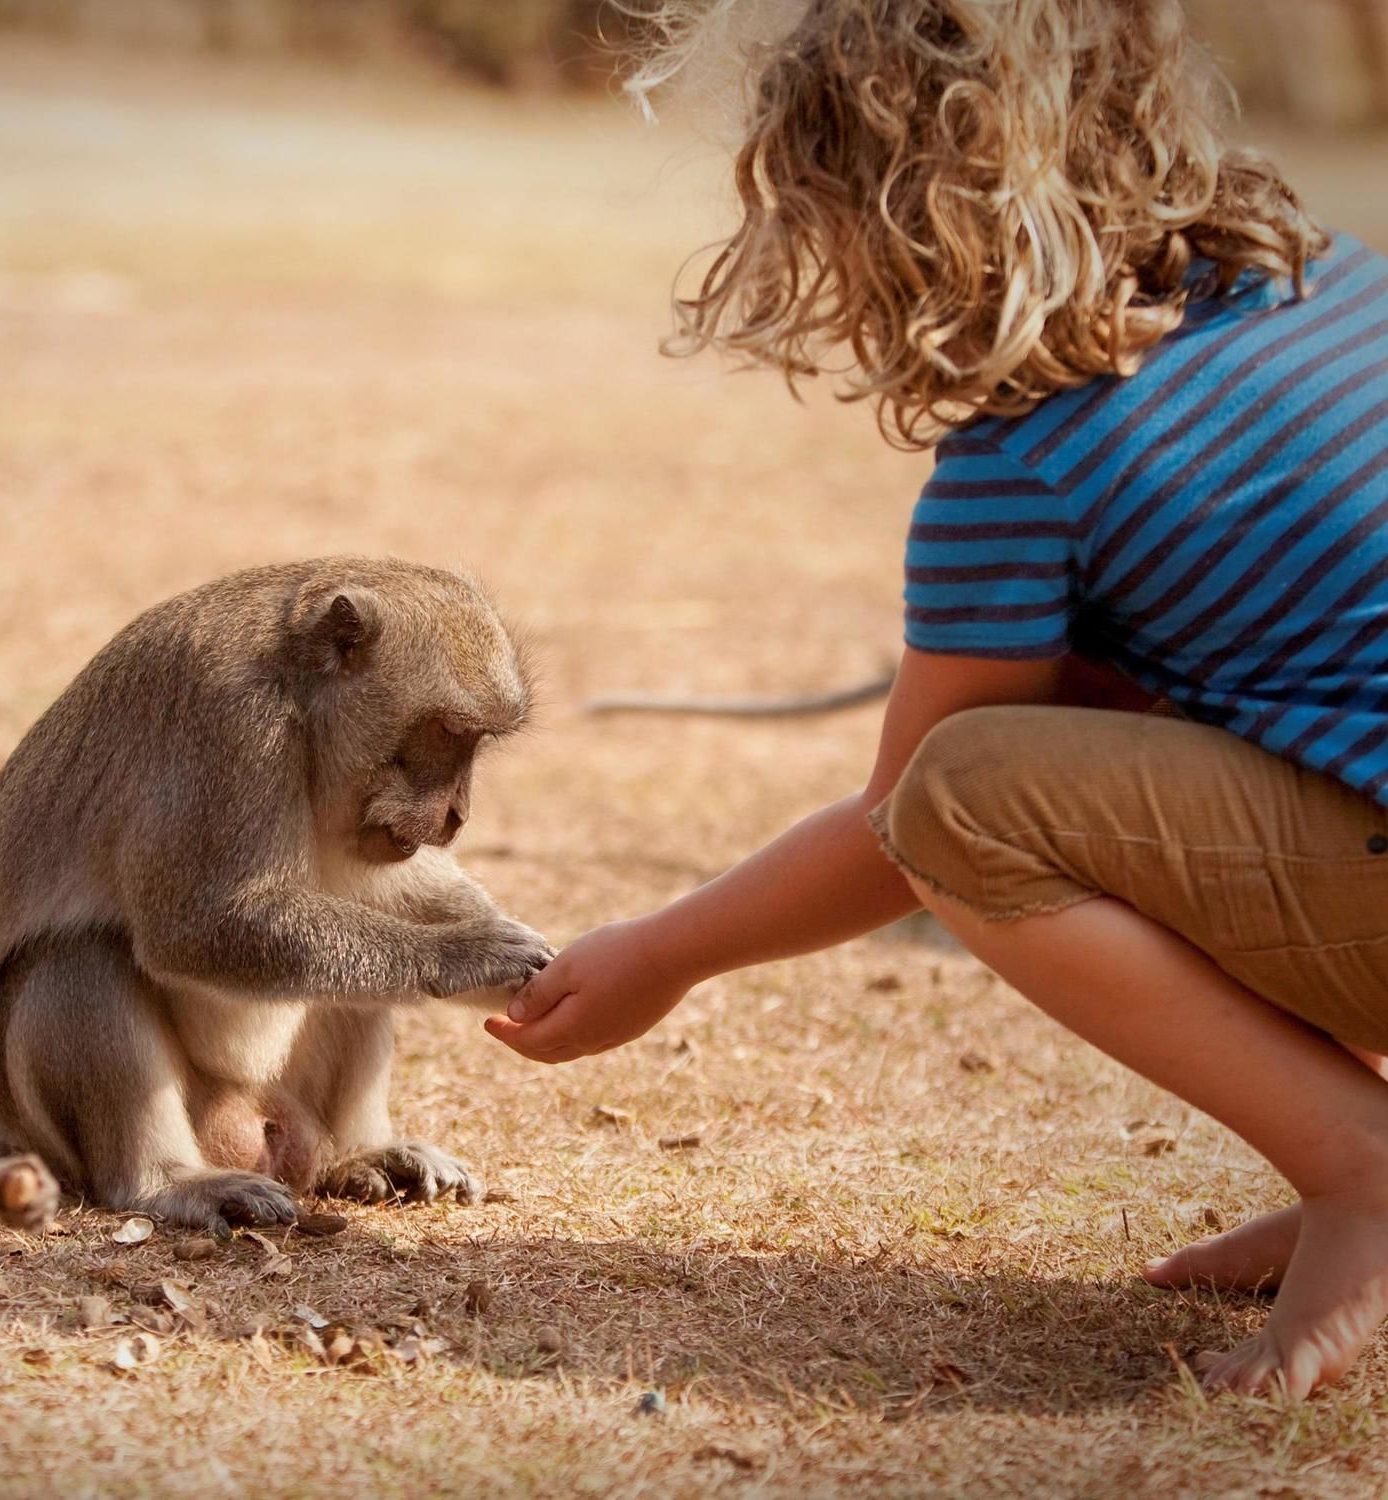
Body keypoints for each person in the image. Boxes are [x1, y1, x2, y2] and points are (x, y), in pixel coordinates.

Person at [486, 0, 1388, 1399]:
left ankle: (1362, 1172)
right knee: (1181, 727)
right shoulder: (1332, 282)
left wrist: (666, 951)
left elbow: (911, 824)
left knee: (977, 795)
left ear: (869, 223)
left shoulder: (1024, 466)